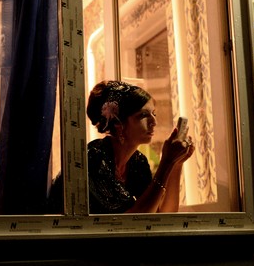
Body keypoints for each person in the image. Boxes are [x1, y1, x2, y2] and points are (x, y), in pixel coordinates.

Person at [83, 80, 194, 213]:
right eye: (143, 115)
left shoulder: (138, 162)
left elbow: (163, 214)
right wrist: (166, 162)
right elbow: (135, 219)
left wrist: (176, 164)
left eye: (154, 113)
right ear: (119, 123)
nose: (154, 122)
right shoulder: (94, 158)